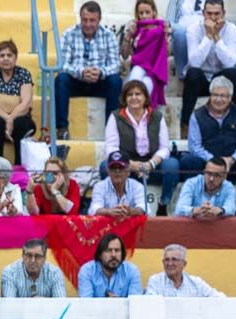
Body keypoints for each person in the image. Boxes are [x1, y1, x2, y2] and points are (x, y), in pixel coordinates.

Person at [103, 79, 179, 215]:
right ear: (125, 98)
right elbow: (111, 148)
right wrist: (129, 164)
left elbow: (164, 148)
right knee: (104, 166)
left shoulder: (157, 116)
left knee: (172, 165)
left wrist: (150, 164)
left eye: (138, 94)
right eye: (129, 94)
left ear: (145, 97)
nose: (134, 98)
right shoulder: (116, 117)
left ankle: (163, 204)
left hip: (152, 165)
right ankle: (115, 204)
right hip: (126, 166)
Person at [55, 1, 122, 139]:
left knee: (115, 81)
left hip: (100, 82)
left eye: (92, 20)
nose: (88, 24)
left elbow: (115, 65)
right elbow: (62, 64)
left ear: (99, 20)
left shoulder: (108, 35)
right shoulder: (69, 34)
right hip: (77, 81)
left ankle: (111, 130)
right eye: (84, 20)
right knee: (61, 79)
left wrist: (101, 72)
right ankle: (62, 129)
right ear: (80, 18)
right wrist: (81, 72)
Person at [180, 75, 236, 182]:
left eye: (223, 96)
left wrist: (231, 160)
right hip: (207, 165)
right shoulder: (197, 116)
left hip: (232, 166)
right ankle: (196, 196)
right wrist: (214, 161)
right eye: (215, 95)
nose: (218, 99)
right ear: (210, 95)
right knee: (188, 161)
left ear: (230, 97)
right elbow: (194, 146)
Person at [181, 0, 236, 133]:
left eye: (217, 14)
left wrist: (216, 37)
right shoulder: (194, 29)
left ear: (224, 13)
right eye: (209, 14)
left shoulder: (231, 29)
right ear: (203, 14)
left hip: (221, 79)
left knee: (233, 73)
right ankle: (185, 125)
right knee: (193, 73)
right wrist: (208, 36)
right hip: (200, 80)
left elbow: (231, 63)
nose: (213, 18)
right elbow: (194, 62)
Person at [0, 40, 35, 164]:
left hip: (18, 115)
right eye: (2, 55)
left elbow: (25, 103)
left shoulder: (24, 74)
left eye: (9, 55)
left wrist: (11, 118)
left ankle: (19, 165)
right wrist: (7, 119)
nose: (5, 59)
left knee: (21, 123)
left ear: (16, 57)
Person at [119, 0, 168, 100]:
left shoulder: (161, 29)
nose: (144, 16)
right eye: (141, 13)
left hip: (154, 71)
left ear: (154, 12)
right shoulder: (133, 27)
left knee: (146, 86)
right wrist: (129, 36)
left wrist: (166, 37)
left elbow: (165, 54)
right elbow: (124, 56)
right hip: (138, 67)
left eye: (147, 12)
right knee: (135, 79)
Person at [77, 231, 143, 297]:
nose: (113, 255)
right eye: (108, 250)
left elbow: (135, 304)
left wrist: (117, 303)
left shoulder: (132, 271)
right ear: (100, 254)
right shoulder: (87, 271)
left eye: (117, 250)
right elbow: (86, 303)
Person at [145, 243, 225, 297]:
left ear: (184, 264)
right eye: (166, 260)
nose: (170, 263)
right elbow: (151, 305)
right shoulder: (155, 281)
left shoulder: (196, 283)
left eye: (174, 259)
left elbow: (219, 298)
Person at [0, 239, 68, 298]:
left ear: (44, 258)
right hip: (17, 313)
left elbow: (61, 304)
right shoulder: (10, 273)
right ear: (23, 256)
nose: (33, 260)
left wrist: (41, 302)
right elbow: (9, 306)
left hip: (47, 313)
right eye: (29, 255)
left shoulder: (54, 273)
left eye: (38, 256)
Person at [89, 151, 146, 217]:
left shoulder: (138, 186)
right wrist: (108, 212)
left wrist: (130, 211)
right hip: (107, 227)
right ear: (108, 171)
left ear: (128, 171)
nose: (117, 171)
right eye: (113, 168)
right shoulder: (99, 186)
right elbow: (94, 209)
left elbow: (143, 208)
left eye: (121, 167)